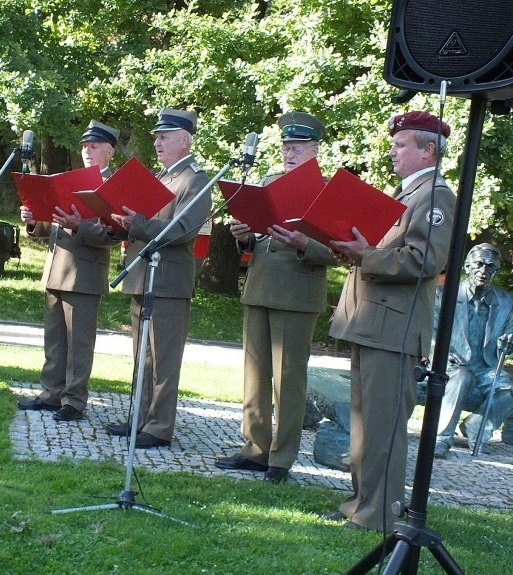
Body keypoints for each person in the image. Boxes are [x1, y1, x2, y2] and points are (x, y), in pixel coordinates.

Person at [327, 111, 456, 531]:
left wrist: (367, 255)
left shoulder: (436, 195)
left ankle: (380, 513)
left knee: (384, 427)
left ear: (428, 150)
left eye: (401, 145)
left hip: (394, 327)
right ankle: (361, 504)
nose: (392, 150)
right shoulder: (407, 193)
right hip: (372, 321)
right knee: (365, 425)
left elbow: (425, 261)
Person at [216, 112, 337, 483]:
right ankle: (254, 449)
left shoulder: (327, 190)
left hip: (298, 293)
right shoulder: (268, 181)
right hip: (260, 286)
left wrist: (304, 243)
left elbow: (338, 250)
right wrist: (243, 234)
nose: (289, 153)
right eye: (286, 147)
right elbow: (258, 239)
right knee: (254, 377)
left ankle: (281, 459)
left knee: (288, 382)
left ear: (315, 150)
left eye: (298, 148)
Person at [105, 107, 211, 449]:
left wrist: (135, 223)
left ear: (185, 140)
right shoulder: (159, 177)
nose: (158, 143)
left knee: (163, 359)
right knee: (142, 356)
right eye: (156, 138)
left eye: (164, 137)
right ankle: (140, 417)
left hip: (169, 281)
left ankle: (160, 426)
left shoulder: (195, 179)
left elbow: (181, 231)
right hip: (143, 276)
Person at [16, 120, 120, 421]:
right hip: (55, 267)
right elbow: (47, 225)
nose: (88, 151)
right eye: (85, 146)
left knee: (79, 344)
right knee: (54, 339)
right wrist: (34, 217)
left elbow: (112, 237)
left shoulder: (111, 187)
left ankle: (74, 401)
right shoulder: (69, 180)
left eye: (95, 146)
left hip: (85, 273)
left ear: (110, 151)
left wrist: (79, 227)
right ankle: (51, 394)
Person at [434, 243, 513, 458]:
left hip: (485, 367)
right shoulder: (443, 295)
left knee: (509, 387)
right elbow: (429, 333)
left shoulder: (507, 303)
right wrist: (441, 353)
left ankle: (476, 428)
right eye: (478, 264)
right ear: (467, 266)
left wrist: (508, 343)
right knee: (462, 377)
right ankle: (441, 438)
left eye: (490, 267)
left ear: (495, 271)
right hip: (450, 364)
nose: (484, 271)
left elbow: (510, 337)